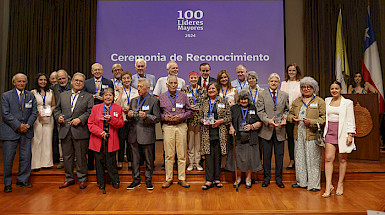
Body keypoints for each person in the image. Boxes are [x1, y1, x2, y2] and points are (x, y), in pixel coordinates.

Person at [54, 73, 93, 189]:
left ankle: (82, 178)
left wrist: (80, 119)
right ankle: (69, 178)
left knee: (81, 157)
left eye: (81, 81)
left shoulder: (88, 96)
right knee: (67, 156)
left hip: (80, 130)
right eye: (76, 80)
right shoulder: (63, 95)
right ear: (71, 81)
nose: (78, 83)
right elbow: (57, 110)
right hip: (65, 130)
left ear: (83, 83)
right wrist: (59, 117)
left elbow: (90, 112)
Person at [1, 73, 37, 193]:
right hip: (10, 131)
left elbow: (34, 112)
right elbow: (5, 114)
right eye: (19, 81)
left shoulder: (31, 95)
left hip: (26, 131)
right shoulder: (6, 96)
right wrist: (18, 126)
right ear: (14, 83)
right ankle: (7, 183)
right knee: (8, 158)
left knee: (26, 157)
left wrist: (27, 125)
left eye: (23, 81)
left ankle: (22, 180)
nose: (21, 83)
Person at [287, 77, 325, 192]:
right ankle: (301, 182)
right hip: (298, 133)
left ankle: (314, 185)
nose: (306, 89)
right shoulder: (297, 101)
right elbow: (289, 115)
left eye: (309, 87)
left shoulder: (319, 101)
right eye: (304, 87)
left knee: (313, 159)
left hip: (312, 134)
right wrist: (292, 118)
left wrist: (312, 122)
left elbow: (324, 118)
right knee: (299, 158)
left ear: (314, 88)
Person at [322, 81, 356, 198]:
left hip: (343, 132)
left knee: (342, 159)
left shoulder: (347, 102)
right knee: (328, 158)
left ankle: (340, 184)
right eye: (332, 89)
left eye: (336, 88)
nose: (334, 91)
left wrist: (350, 134)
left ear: (341, 89)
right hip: (330, 132)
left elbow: (351, 119)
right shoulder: (326, 101)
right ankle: (328, 186)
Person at [126, 78, 161, 190]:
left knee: (149, 159)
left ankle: (148, 179)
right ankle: (136, 180)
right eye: (138, 86)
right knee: (134, 160)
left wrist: (147, 117)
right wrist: (129, 115)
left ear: (148, 88)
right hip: (134, 134)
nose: (139, 89)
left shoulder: (154, 101)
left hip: (147, 133)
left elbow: (157, 118)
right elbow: (130, 118)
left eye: (141, 87)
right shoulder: (134, 100)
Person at [159, 75, 193, 189]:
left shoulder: (183, 96)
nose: (173, 85)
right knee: (169, 155)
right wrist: (164, 117)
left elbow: (190, 111)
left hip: (181, 126)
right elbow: (158, 113)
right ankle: (168, 179)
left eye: (175, 83)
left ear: (178, 84)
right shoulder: (162, 97)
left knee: (181, 154)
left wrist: (181, 116)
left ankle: (182, 178)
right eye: (171, 83)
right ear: (167, 84)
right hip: (168, 127)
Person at [257, 73, 289, 188]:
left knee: (279, 156)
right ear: (268, 82)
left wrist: (285, 117)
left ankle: (279, 179)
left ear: (279, 83)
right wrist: (267, 120)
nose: (274, 83)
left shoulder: (284, 95)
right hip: (266, 130)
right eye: (272, 81)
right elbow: (260, 111)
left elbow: (287, 110)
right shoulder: (262, 94)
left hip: (280, 130)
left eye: (276, 81)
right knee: (266, 156)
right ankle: (266, 178)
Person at [88, 88, 124, 190]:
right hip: (98, 139)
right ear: (102, 97)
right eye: (106, 95)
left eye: (110, 95)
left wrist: (112, 120)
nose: (108, 97)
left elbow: (121, 124)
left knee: (111, 162)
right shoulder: (95, 108)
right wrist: (100, 132)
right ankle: (101, 183)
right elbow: (90, 124)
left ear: (113, 97)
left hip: (112, 139)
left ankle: (115, 181)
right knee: (99, 162)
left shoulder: (118, 108)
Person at [227, 89, 262, 189]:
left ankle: (248, 178)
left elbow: (260, 122)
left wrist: (252, 126)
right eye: (241, 99)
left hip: (250, 138)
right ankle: (238, 178)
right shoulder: (234, 108)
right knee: (237, 159)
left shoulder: (253, 108)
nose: (243, 101)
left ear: (249, 99)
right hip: (237, 138)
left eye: (245, 99)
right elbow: (229, 119)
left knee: (249, 159)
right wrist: (231, 127)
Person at [199, 82, 231, 190]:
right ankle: (209, 180)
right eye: (209, 89)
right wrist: (202, 120)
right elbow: (199, 116)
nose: (211, 90)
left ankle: (217, 179)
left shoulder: (223, 101)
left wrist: (220, 121)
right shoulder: (204, 102)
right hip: (207, 133)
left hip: (220, 132)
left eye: (213, 88)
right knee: (208, 157)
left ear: (217, 90)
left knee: (218, 157)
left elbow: (229, 116)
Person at [83, 63, 114, 170]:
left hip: (105, 112)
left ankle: (105, 164)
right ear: (92, 71)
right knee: (93, 139)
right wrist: (91, 97)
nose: (97, 71)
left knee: (105, 139)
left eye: (99, 70)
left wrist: (104, 98)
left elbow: (111, 96)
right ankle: (91, 164)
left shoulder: (108, 82)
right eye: (95, 70)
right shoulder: (86, 83)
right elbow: (83, 97)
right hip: (92, 112)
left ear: (102, 70)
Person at [182, 71, 207, 171]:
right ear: (189, 79)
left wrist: (199, 108)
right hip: (189, 119)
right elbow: (181, 104)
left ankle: (198, 162)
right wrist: (189, 107)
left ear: (198, 79)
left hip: (200, 120)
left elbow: (206, 103)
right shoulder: (184, 90)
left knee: (198, 143)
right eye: (191, 78)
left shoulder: (203, 90)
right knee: (190, 142)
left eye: (195, 78)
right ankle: (191, 163)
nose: (193, 79)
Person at [31, 73, 55, 172]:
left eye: (45, 80)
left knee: (47, 140)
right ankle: (36, 164)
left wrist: (50, 111)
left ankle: (47, 163)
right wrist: (37, 111)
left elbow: (53, 105)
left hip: (48, 118)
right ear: (37, 81)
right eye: (41, 80)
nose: (43, 82)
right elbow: (31, 105)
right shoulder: (33, 92)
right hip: (37, 117)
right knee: (36, 140)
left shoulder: (51, 92)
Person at [114, 71, 139, 169]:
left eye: (128, 78)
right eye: (124, 78)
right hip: (121, 119)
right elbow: (116, 104)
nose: (126, 80)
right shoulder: (118, 90)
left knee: (130, 142)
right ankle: (119, 161)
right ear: (121, 80)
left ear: (131, 79)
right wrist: (120, 93)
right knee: (121, 141)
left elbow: (138, 105)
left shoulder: (136, 91)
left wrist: (130, 109)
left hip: (132, 120)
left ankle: (130, 161)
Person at [280, 63, 302, 170]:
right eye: (289, 71)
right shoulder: (284, 83)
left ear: (297, 71)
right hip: (287, 115)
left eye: (293, 70)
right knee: (290, 139)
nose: (291, 72)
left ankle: (300, 161)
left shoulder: (301, 83)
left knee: (299, 138)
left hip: (299, 115)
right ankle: (292, 160)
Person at [51, 69, 72, 169]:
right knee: (61, 140)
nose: (62, 81)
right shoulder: (54, 87)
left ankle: (73, 160)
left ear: (68, 78)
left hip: (73, 117)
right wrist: (58, 116)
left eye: (63, 78)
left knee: (74, 139)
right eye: (59, 79)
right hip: (61, 118)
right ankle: (62, 160)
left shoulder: (73, 85)